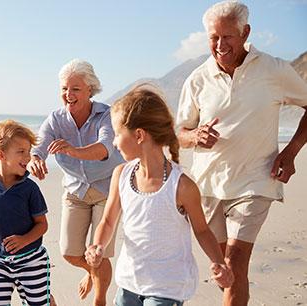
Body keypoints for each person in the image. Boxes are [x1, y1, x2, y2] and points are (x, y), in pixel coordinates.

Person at [176, 1, 307, 305]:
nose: (220, 45)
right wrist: (195, 136)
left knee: (235, 262)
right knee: (225, 270)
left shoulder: (275, 69)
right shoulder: (197, 79)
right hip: (208, 186)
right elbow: (180, 134)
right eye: (213, 38)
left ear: (245, 32)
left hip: (256, 181)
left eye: (228, 37)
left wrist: (291, 151)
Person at [85, 84, 234, 306]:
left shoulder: (181, 187)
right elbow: (108, 221)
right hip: (128, 283)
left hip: (167, 288)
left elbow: (202, 230)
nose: (114, 142)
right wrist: (98, 245)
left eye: (117, 134)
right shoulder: (121, 175)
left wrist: (220, 263)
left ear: (139, 135)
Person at [28, 59, 124, 306]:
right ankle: (90, 271)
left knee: (98, 254)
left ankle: (100, 301)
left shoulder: (106, 114)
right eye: (64, 89)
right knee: (70, 253)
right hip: (75, 191)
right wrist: (35, 160)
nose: (68, 95)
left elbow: (104, 149)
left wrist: (72, 150)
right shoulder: (56, 120)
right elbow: (38, 147)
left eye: (75, 89)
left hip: (107, 190)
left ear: (90, 89)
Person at [0, 119, 56, 306]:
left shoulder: (29, 188)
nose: (28, 157)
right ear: (1, 155)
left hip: (31, 261)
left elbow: (42, 224)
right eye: (21, 152)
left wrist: (24, 240)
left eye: (29, 151)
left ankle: (48, 300)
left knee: (38, 303)